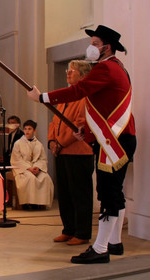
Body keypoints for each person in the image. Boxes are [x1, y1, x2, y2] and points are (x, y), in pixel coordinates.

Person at [28, 24, 136, 264]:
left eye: (96, 43)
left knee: (108, 193)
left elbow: (79, 91)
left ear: (107, 48)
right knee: (115, 192)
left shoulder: (106, 69)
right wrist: (87, 133)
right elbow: (104, 109)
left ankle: (100, 249)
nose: (91, 47)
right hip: (118, 137)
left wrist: (43, 97)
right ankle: (114, 243)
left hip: (113, 141)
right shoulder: (118, 69)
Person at [48, 59, 94, 247]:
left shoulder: (85, 98)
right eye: (68, 70)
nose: (68, 73)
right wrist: (52, 141)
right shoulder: (66, 97)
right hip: (62, 152)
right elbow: (54, 122)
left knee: (79, 194)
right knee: (65, 193)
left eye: (72, 71)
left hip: (79, 153)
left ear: (83, 76)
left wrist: (60, 143)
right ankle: (68, 229)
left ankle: (82, 232)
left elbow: (80, 126)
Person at [11, 120, 54, 209]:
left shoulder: (39, 144)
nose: (27, 131)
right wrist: (29, 168)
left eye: (30, 129)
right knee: (30, 178)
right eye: (25, 129)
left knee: (45, 178)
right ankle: (27, 203)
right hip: (23, 169)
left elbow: (43, 159)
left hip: (36, 168)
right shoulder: (18, 143)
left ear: (34, 131)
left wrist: (37, 167)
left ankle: (39, 203)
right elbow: (16, 159)